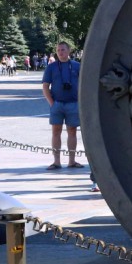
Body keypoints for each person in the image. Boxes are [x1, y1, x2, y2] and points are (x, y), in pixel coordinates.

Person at [42, 40, 82, 170]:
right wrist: (52, 103)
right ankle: (56, 162)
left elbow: (84, 84)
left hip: (73, 104)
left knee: (72, 131)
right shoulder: (51, 67)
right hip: (57, 104)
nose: (60, 52)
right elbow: (45, 86)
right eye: (58, 50)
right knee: (56, 131)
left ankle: (72, 161)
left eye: (63, 50)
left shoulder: (77, 66)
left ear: (69, 51)